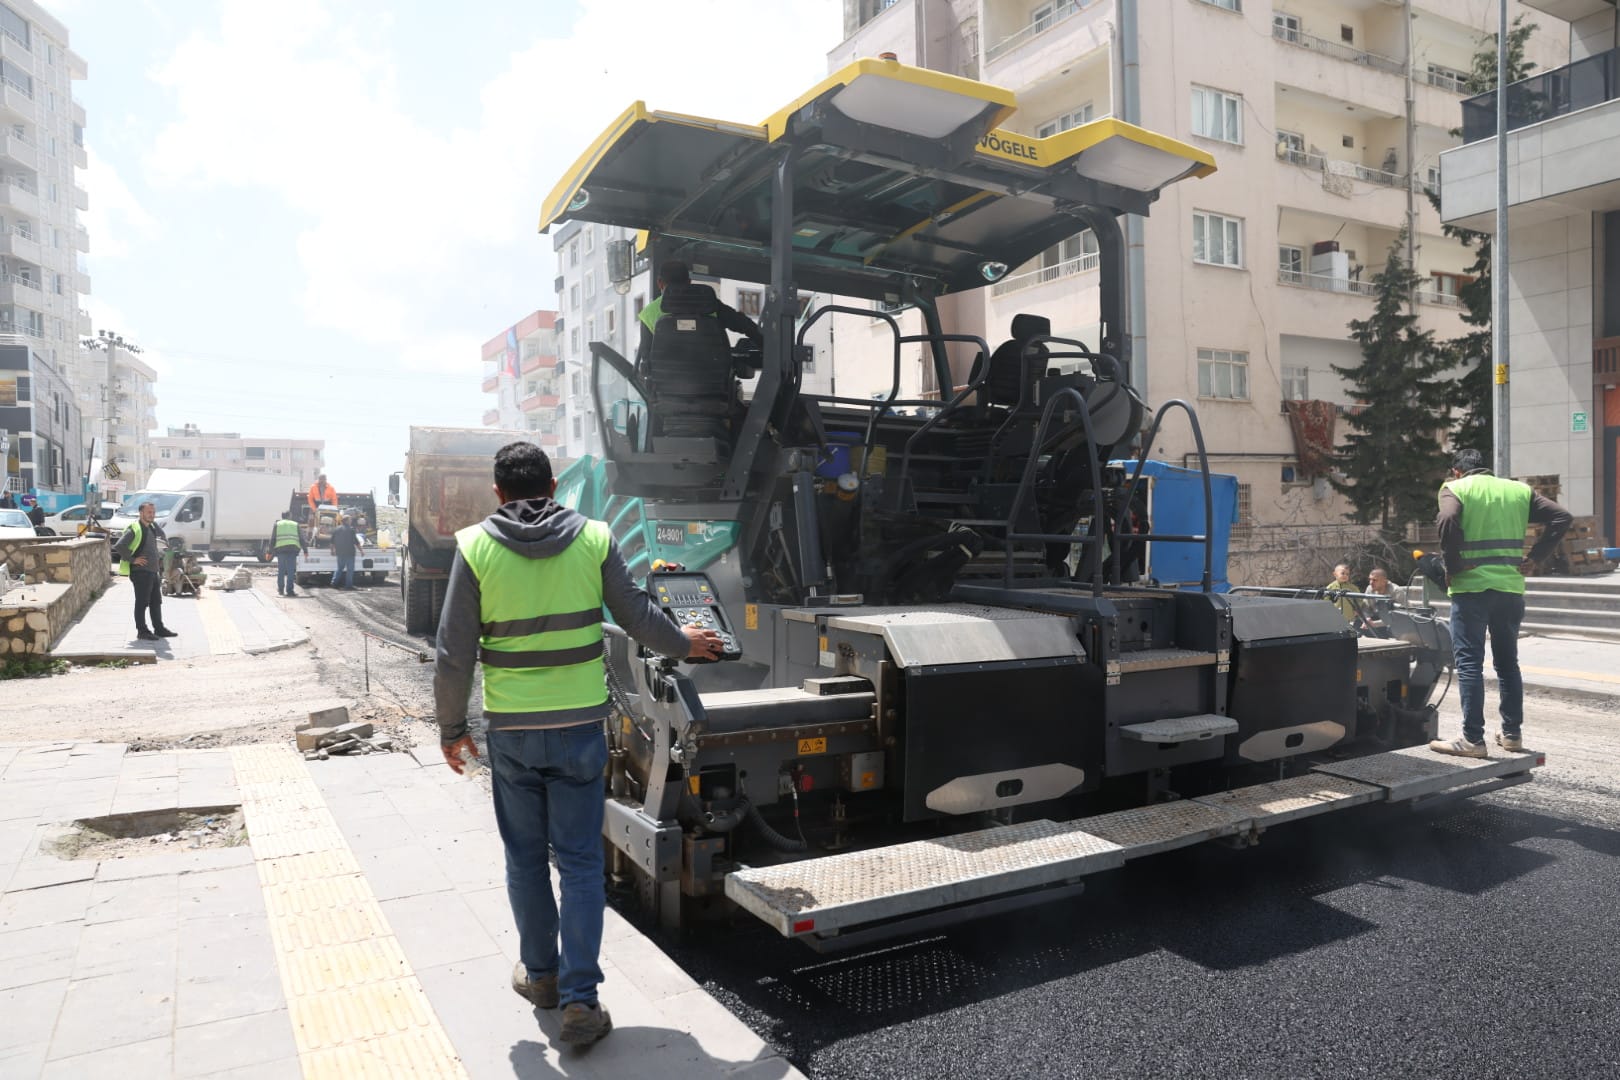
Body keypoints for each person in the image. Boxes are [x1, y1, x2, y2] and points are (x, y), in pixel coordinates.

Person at [434, 441, 722, 1047]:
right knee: (582, 864)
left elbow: (453, 653)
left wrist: (452, 730)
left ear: (498, 492)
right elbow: (638, 617)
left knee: (524, 859)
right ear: (553, 487)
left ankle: (541, 978)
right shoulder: (593, 538)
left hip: (512, 731)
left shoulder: (475, 546)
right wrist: (687, 644)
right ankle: (581, 1002)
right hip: (579, 731)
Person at [1429, 448, 1571, 758]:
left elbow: (1447, 518)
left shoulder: (1456, 488)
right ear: (1486, 469)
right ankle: (1511, 734)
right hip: (1509, 589)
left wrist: (1452, 565)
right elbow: (1562, 517)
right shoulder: (1518, 490)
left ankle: (1472, 740)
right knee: (1507, 664)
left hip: (1471, 590)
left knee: (1469, 664)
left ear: (1456, 471)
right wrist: (1536, 557)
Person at [635, 259, 763, 369]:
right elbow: (745, 325)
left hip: (666, 388)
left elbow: (647, 362)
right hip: (714, 384)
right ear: (689, 282)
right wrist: (766, 346)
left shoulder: (648, 314)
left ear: (659, 283)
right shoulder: (710, 305)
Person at [110, 501, 177, 641]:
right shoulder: (135, 529)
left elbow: (162, 537)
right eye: (149, 512)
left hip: (153, 571)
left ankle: (159, 629)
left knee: (156, 602)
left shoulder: (151, 527)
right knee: (142, 602)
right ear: (141, 513)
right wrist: (133, 559)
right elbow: (119, 546)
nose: (152, 515)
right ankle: (142, 631)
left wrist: (157, 529)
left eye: (153, 512)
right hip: (141, 573)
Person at [269, 509, 307, 597]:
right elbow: (301, 538)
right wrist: (305, 550)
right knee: (290, 571)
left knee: (281, 570)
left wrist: (269, 551)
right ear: (289, 516)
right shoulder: (295, 524)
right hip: (292, 550)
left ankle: (281, 590)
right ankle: (290, 591)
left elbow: (273, 539)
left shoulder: (277, 524)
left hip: (281, 550)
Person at [329, 514, 362, 590]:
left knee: (339, 569)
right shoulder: (351, 530)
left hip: (340, 553)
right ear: (347, 521)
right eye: (350, 520)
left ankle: (333, 583)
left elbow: (331, 542)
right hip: (350, 553)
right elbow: (356, 542)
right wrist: (361, 550)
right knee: (350, 570)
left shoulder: (336, 529)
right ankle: (348, 585)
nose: (351, 521)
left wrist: (332, 550)